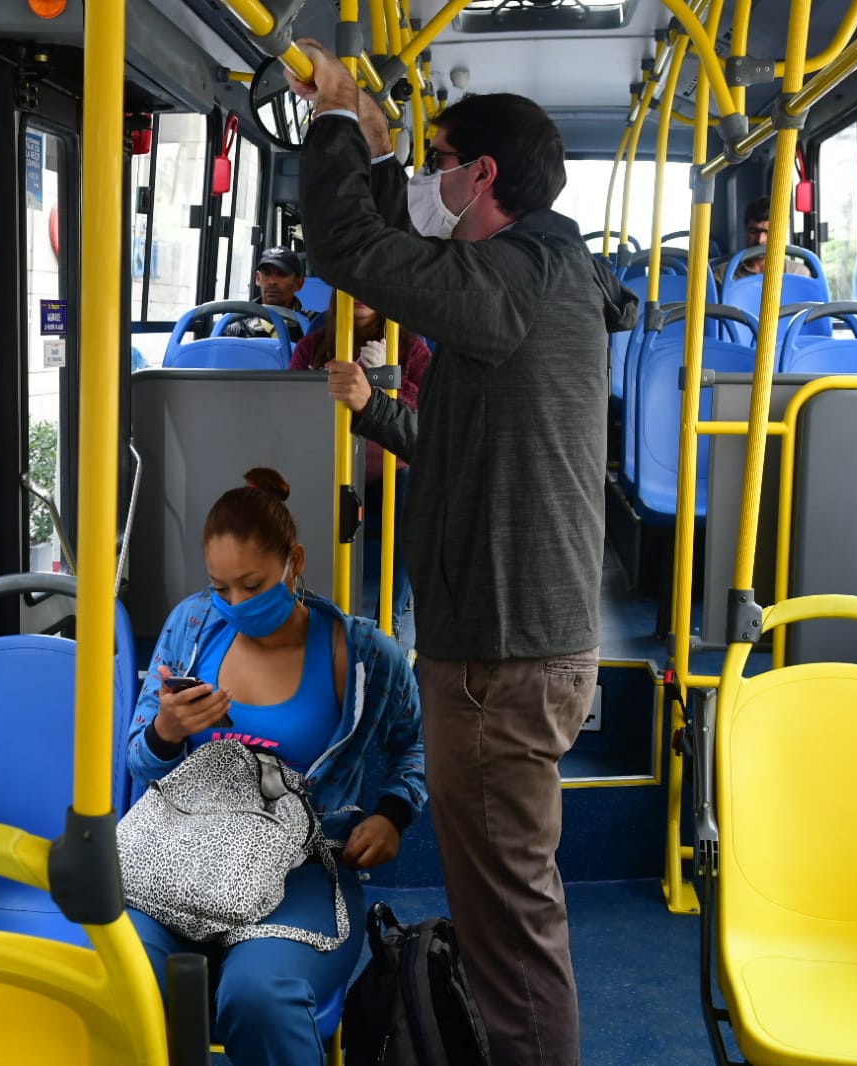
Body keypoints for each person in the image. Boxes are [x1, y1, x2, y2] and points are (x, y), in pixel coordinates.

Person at [285, 43, 639, 1066]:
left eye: (440, 160)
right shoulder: (540, 277)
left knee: (513, 933)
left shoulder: (514, 278)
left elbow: (350, 244)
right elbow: (462, 443)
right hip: (509, 642)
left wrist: (341, 118)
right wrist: (379, 412)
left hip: (502, 658)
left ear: (482, 177)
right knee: (503, 924)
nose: (430, 179)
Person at [125, 467, 426, 1066]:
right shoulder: (190, 628)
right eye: (220, 587)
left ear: (294, 563)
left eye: (252, 585)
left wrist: (392, 815)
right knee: (122, 979)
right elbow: (137, 759)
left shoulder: (364, 656)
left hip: (305, 871)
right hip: (182, 853)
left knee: (259, 995)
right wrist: (167, 730)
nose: (234, 604)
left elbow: (413, 749)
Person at [289, 293, 430, 641]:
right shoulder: (312, 347)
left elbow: (427, 416)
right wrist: (314, 386)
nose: (362, 296)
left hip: (388, 471)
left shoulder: (411, 349)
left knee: (410, 488)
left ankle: (389, 618)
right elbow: (287, 403)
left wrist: (387, 382)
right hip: (328, 466)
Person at [713, 195, 814, 284]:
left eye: (768, 232)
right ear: (745, 230)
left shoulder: (799, 274)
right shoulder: (723, 275)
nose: (760, 240)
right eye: (753, 231)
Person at [222, 246, 315, 343]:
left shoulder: (314, 325)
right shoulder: (235, 328)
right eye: (267, 273)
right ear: (258, 278)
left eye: (281, 274)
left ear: (299, 283)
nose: (272, 281)